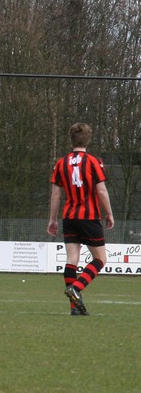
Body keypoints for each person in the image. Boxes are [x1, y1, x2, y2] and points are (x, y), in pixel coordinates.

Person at [47, 122, 114, 316]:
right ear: (88, 140)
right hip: (89, 217)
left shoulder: (61, 163)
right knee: (100, 259)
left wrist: (52, 219)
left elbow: (55, 194)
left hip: (69, 216)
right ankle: (76, 288)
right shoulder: (93, 161)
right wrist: (109, 213)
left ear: (71, 139)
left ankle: (74, 308)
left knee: (72, 259)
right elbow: (101, 190)